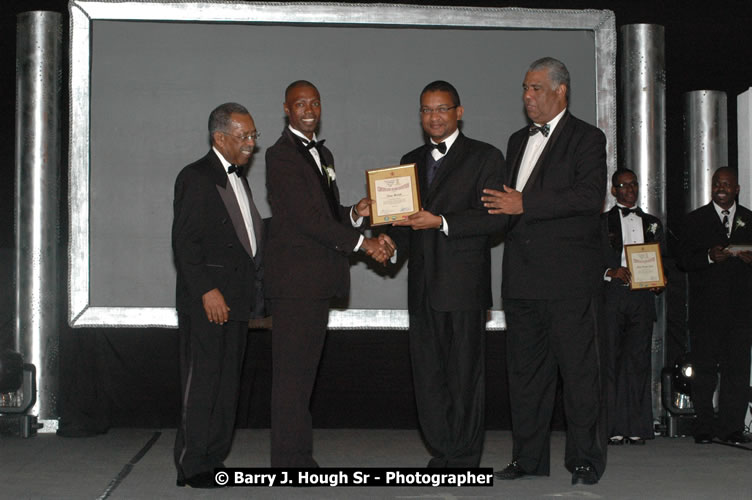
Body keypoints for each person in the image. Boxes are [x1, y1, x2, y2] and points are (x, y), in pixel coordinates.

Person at [482, 57, 607, 485]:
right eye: (525, 88)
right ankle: (529, 458)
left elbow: (590, 197)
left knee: (578, 375)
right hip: (521, 280)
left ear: (561, 91)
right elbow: (503, 206)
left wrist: (526, 204)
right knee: (526, 378)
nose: (527, 97)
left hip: (569, 281)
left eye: (535, 88)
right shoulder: (517, 140)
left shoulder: (588, 138)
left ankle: (585, 459)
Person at [265, 80, 394, 467]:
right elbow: (304, 220)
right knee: (292, 377)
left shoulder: (325, 154)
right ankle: (289, 463)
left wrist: (355, 213)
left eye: (314, 103)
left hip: (315, 283)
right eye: (299, 103)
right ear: (286, 109)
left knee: (303, 375)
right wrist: (363, 244)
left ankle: (298, 457)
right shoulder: (281, 155)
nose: (308, 109)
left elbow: (324, 214)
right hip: (295, 284)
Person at [390, 81, 506, 468]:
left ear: (459, 112)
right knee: (428, 375)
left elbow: (496, 219)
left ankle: (464, 456)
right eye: (426, 110)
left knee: (464, 376)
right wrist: (384, 242)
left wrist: (440, 221)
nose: (433, 117)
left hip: (463, 287)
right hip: (422, 286)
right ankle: (443, 448)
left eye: (441, 109)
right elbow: (404, 223)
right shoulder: (409, 159)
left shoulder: (485, 156)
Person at [172, 102, 265, 488]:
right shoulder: (195, 176)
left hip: (239, 300)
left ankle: (213, 459)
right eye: (244, 136)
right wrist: (207, 290)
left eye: (253, 136)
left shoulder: (239, 178)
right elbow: (184, 242)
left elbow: (245, 238)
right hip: (209, 302)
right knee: (204, 383)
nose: (251, 143)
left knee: (227, 385)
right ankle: (192, 465)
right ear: (219, 138)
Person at [677, 166, 752, 445]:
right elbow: (682, 260)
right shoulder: (695, 220)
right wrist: (708, 257)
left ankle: (732, 427)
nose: (721, 187)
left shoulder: (749, 219)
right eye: (717, 183)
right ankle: (705, 425)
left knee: (737, 371)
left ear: (737, 189)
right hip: (706, 310)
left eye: (727, 184)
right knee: (704, 370)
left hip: (741, 311)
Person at [601, 168, 665, 445]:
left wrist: (660, 280)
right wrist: (609, 271)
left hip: (641, 299)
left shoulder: (652, 223)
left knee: (638, 362)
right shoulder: (601, 222)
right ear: (614, 190)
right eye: (623, 185)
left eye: (633, 184)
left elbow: (663, 259)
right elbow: (586, 261)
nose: (629, 189)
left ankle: (638, 426)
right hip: (613, 296)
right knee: (611, 361)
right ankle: (613, 427)